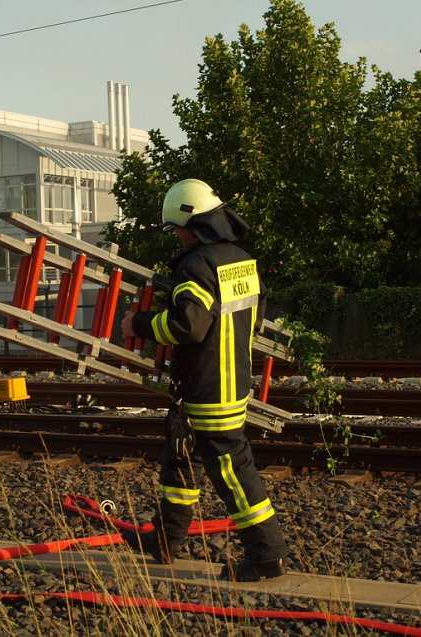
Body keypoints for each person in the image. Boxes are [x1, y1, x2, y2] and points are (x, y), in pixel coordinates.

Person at [120, 178, 288, 581]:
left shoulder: (198, 265)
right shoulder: (241, 260)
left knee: (230, 467)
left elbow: (188, 326)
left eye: (176, 227)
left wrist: (138, 323)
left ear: (193, 224)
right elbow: (254, 317)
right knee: (182, 459)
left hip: (209, 387)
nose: (175, 235)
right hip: (231, 380)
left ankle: (265, 554)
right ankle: (165, 540)